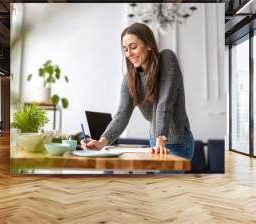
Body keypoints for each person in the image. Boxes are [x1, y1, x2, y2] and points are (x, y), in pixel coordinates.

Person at [81, 22, 194, 161]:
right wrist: (102, 142)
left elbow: (164, 102)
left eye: (133, 47)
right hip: (155, 142)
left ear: (148, 45)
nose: (129, 54)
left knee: (168, 183)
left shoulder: (166, 58)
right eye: (125, 49)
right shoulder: (130, 79)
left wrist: (161, 140)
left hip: (177, 141)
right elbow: (122, 115)